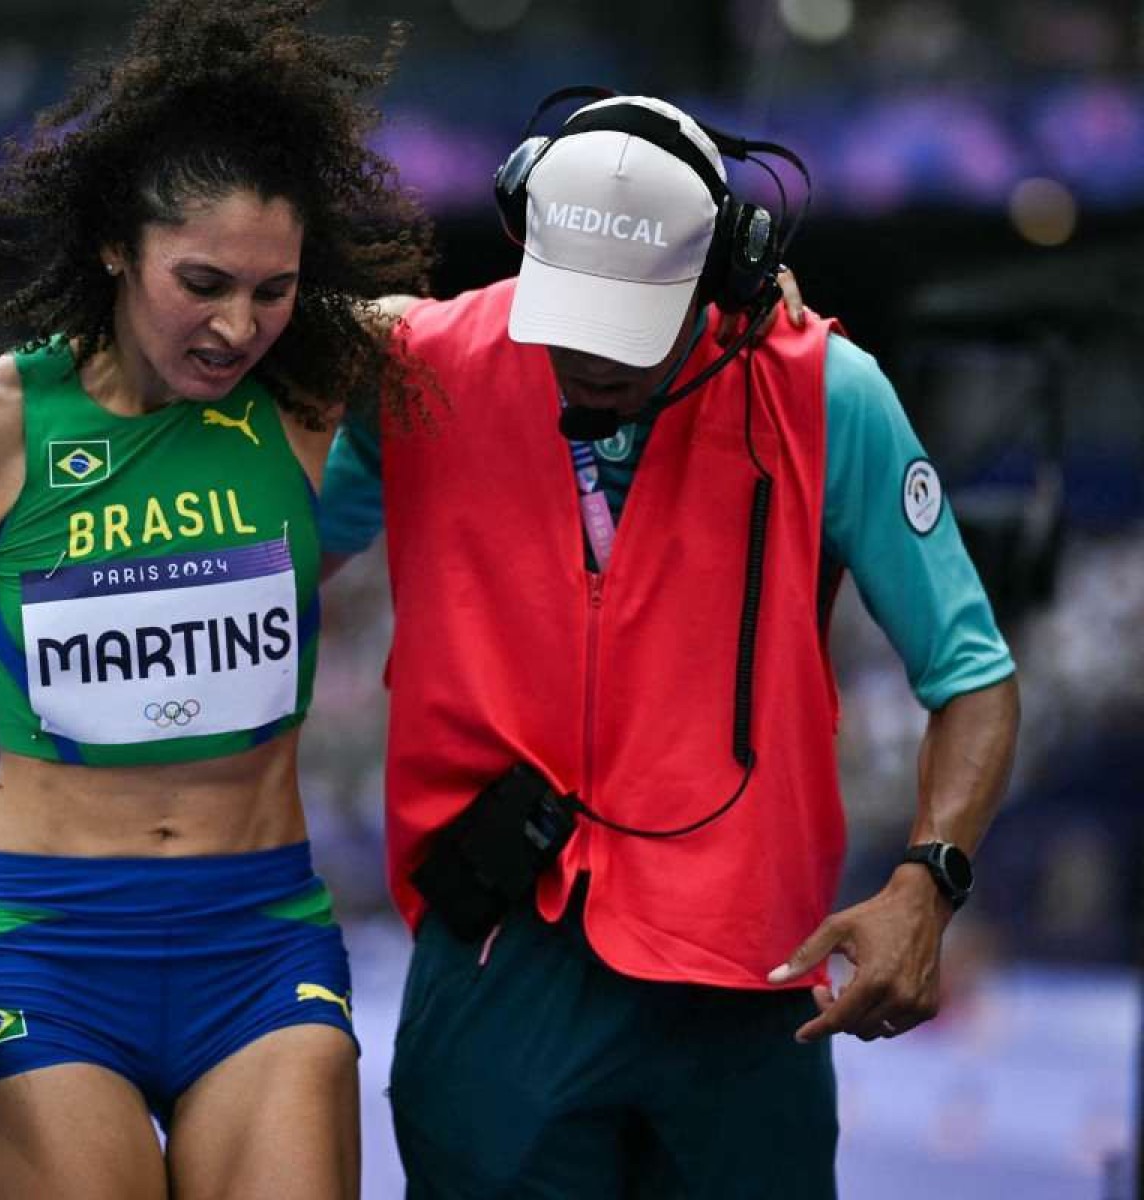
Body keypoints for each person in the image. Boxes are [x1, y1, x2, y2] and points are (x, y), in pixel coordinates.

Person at [0, 3, 432, 1197]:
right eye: (204, 282)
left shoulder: (320, 384)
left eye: (274, 290)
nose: (237, 327)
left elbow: (537, 331)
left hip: (262, 945)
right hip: (52, 957)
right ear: (119, 245)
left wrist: (738, 289)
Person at [314, 94, 1021, 1197]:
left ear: (725, 275)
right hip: (502, 956)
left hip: (751, 981)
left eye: (630, 327)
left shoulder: (831, 396)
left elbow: (972, 678)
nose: (592, 360)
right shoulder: (424, 368)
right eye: (573, 318)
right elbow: (269, 552)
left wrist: (927, 884)